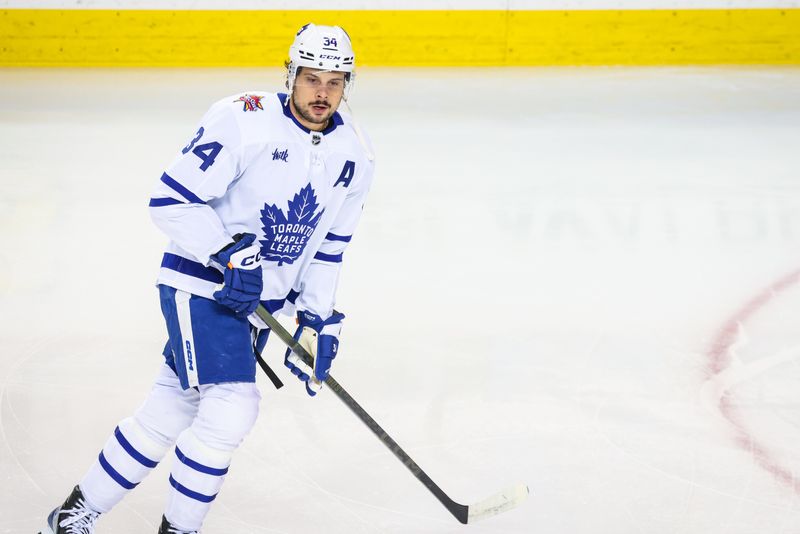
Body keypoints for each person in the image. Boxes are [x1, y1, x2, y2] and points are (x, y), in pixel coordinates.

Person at [41, 22, 374, 534]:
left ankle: (70, 518)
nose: (322, 93)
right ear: (290, 76)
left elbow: (329, 248)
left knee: (171, 407)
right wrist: (230, 256)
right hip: (203, 285)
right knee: (231, 409)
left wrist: (317, 317)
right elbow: (170, 202)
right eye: (312, 79)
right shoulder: (244, 121)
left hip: (259, 306)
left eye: (334, 81)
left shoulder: (355, 154)